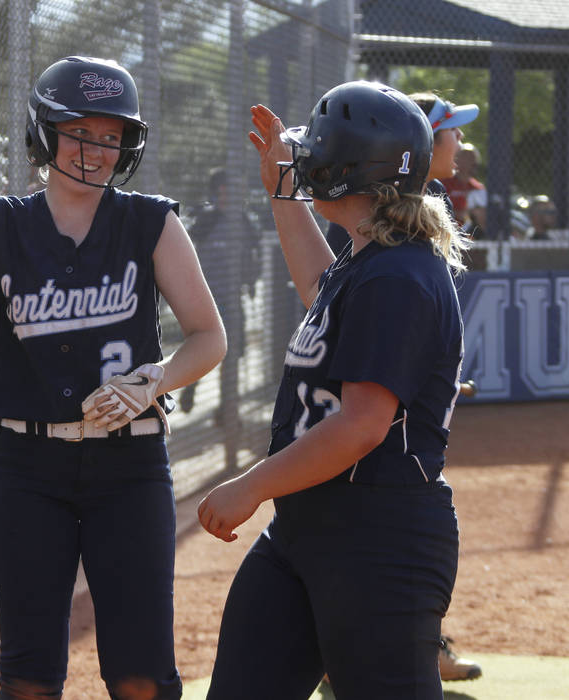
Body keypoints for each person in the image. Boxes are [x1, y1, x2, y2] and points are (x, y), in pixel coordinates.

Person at [0, 55, 225, 700]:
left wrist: (153, 381)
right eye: (81, 132)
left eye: (112, 137)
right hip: (27, 469)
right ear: (45, 131)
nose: (97, 150)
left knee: (141, 675)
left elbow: (209, 336)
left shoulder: (151, 223)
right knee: (28, 677)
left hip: (129, 469)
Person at [197, 81, 468, 699]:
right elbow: (322, 288)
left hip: (379, 537)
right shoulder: (371, 258)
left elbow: (361, 425)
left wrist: (252, 484)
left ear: (354, 171)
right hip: (308, 527)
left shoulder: (398, 274)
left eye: (319, 151)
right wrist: (281, 194)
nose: (306, 160)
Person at [319, 90, 484, 683]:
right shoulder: (372, 218)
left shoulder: (419, 207)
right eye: (450, 132)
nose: (459, 144)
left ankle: (403, 643)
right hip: (360, 452)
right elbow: (332, 304)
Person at [177, 166, 260, 469]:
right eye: (225, 188)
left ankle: (228, 410)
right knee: (202, 348)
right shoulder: (206, 218)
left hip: (232, 299)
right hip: (204, 299)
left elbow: (254, 256)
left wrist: (252, 280)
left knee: (232, 356)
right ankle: (192, 385)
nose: (230, 193)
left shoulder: (243, 221)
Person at [440, 141, 488, 236]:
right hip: (447, 227)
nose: (466, 161)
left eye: (470, 157)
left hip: (470, 231)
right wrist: (461, 213)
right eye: (463, 156)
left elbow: (481, 214)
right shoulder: (445, 183)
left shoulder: (477, 187)